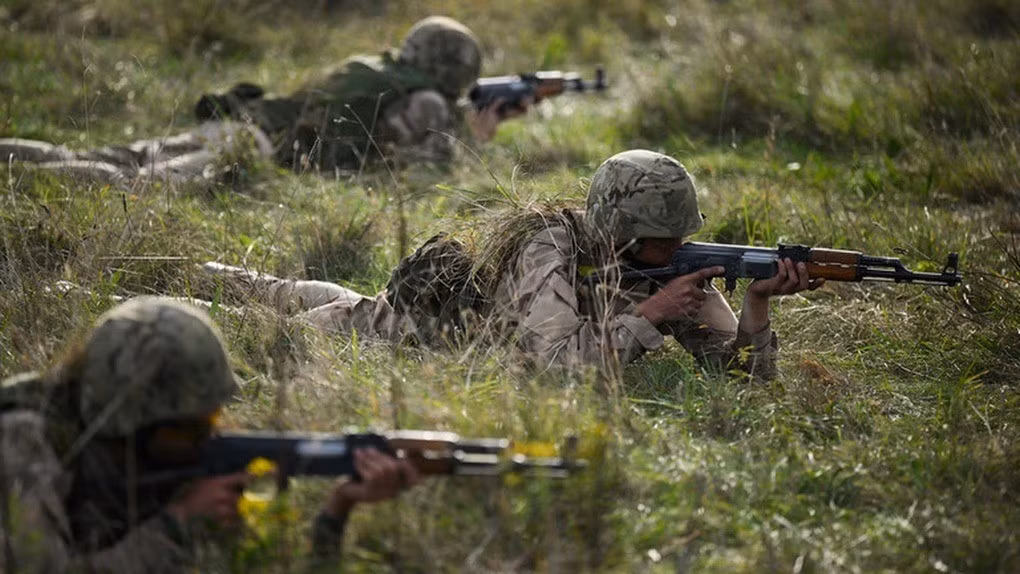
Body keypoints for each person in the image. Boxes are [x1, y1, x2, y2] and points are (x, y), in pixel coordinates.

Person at [199, 149, 821, 380]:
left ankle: (221, 278)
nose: (679, 248)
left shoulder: (668, 269)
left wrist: (757, 306)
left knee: (301, 292)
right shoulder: (549, 243)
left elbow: (742, 376)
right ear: (620, 233)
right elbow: (549, 363)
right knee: (265, 322)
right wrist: (651, 318)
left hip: (380, 311)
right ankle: (195, 291)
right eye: (665, 238)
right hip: (390, 335)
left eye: (681, 235)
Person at [0, 297, 419, 571]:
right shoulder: (23, 444)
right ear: (130, 420)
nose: (210, 437)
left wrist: (337, 509)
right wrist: (176, 527)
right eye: (192, 427)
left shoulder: (162, 460)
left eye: (212, 418)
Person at [0, 16, 521, 185]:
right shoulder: (429, 103)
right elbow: (422, 181)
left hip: (243, 126)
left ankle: (17, 158)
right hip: (255, 151)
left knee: (122, 156)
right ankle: (28, 177)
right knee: (133, 184)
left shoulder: (373, 67)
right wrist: (475, 141)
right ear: (454, 69)